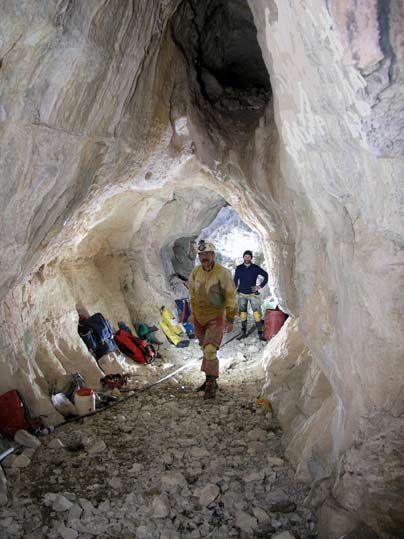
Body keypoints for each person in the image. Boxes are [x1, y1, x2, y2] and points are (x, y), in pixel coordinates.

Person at [188, 240, 238, 399]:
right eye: (201, 254)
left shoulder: (223, 273)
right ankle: (209, 379)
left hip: (215, 316)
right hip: (199, 317)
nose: (204, 257)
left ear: (213, 255)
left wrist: (230, 318)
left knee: (210, 349)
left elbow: (231, 295)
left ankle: (211, 383)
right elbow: (192, 293)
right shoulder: (196, 272)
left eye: (207, 254)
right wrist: (192, 313)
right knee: (205, 349)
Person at [234, 250, 268, 340]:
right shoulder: (239, 268)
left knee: (257, 314)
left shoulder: (255, 268)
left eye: (249, 257)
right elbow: (235, 280)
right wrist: (234, 289)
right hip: (241, 294)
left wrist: (259, 286)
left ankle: (260, 334)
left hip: (253, 294)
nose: (247, 258)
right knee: (243, 314)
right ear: (243, 257)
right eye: (245, 256)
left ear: (251, 258)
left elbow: (266, 275)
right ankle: (243, 332)